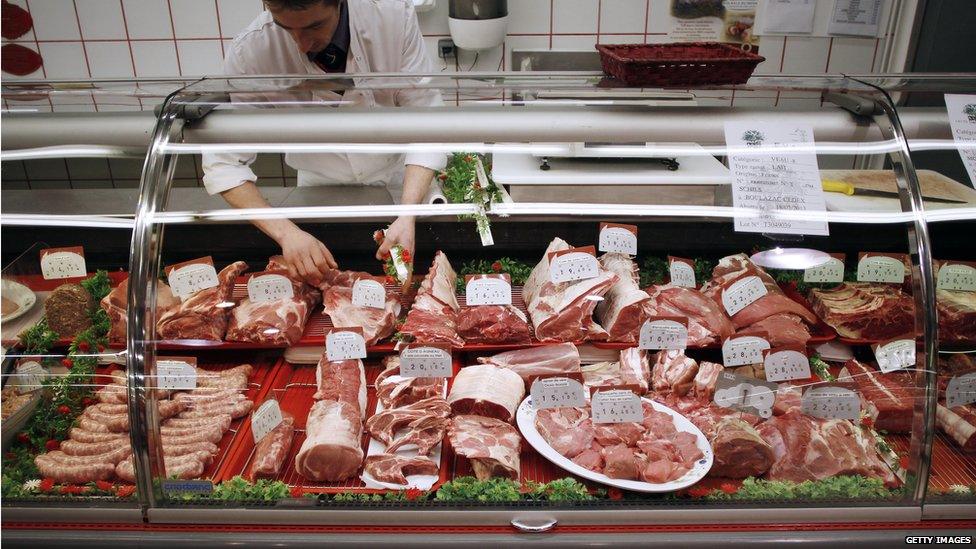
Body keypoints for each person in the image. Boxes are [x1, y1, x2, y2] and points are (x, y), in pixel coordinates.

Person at [202, 0, 445, 284]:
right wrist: (287, 234)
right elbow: (224, 164)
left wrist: (407, 215)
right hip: (317, 193)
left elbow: (427, 122)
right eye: (285, 28)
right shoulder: (252, 51)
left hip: (395, 185)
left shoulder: (391, 18)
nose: (302, 45)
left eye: (314, 26)